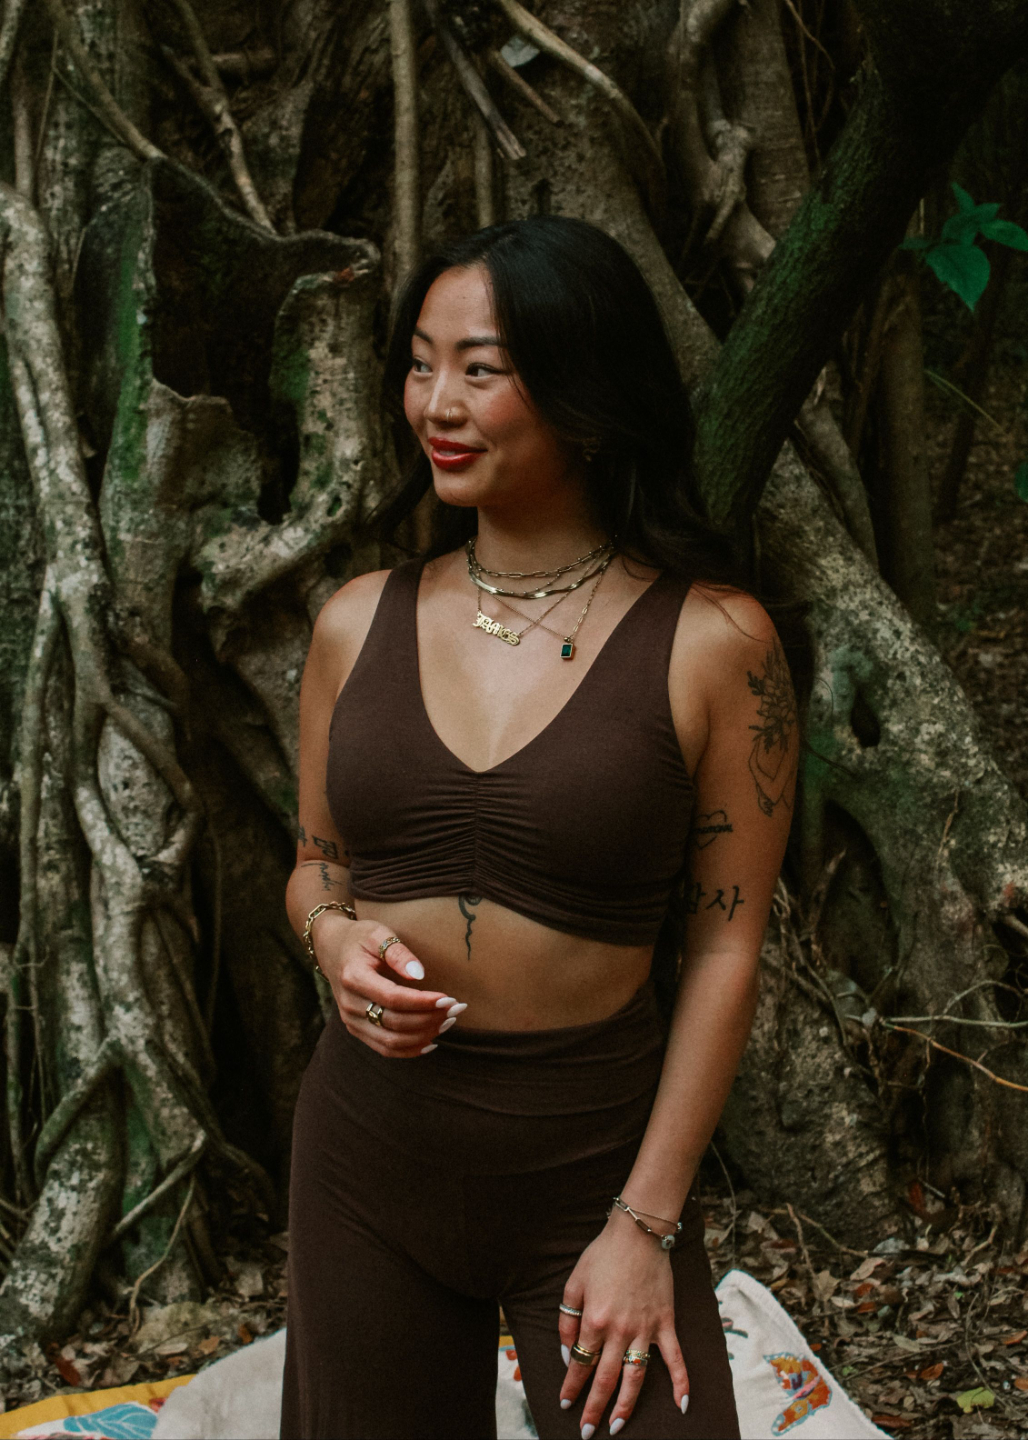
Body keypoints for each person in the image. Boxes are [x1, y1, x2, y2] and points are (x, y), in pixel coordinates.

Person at [278, 215, 797, 1440]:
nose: (435, 404)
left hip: (591, 1168)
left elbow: (724, 950)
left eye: (481, 369)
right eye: (419, 364)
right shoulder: (355, 622)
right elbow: (314, 868)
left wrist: (642, 1227)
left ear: (586, 392)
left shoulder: (715, 642)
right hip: (366, 1158)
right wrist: (332, 941)